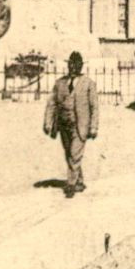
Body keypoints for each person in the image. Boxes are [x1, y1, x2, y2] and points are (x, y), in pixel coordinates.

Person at [44, 51, 99, 198]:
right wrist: (48, 122)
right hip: (63, 125)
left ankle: (71, 184)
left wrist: (93, 127)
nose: (73, 67)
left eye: (76, 64)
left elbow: (94, 107)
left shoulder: (88, 84)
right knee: (69, 154)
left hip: (80, 125)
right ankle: (79, 181)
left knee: (75, 153)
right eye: (71, 64)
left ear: (81, 66)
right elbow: (52, 104)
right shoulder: (60, 83)